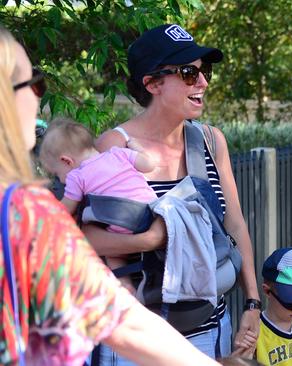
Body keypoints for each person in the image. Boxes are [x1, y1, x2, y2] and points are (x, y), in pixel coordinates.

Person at [0, 25, 220, 366]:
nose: (38, 96)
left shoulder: (208, 141)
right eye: (34, 84)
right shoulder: (22, 214)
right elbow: (120, 319)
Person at [89, 24, 261, 363]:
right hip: (137, 339)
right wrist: (151, 240)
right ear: (152, 83)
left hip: (209, 329)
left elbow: (235, 225)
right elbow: (89, 240)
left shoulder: (211, 141)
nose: (203, 82)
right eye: (188, 73)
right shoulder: (115, 146)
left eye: (204, 71)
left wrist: (253, 303)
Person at [39, 119, 157, 293]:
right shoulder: (118, 153)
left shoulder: (76, 176)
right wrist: (136, 147)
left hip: (123, 221)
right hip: (151, 211)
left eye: (57, 173)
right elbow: (149, 165)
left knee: (113, 254)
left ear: (66, 161)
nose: (60, 180)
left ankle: (125, 286)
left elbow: (65, 210)